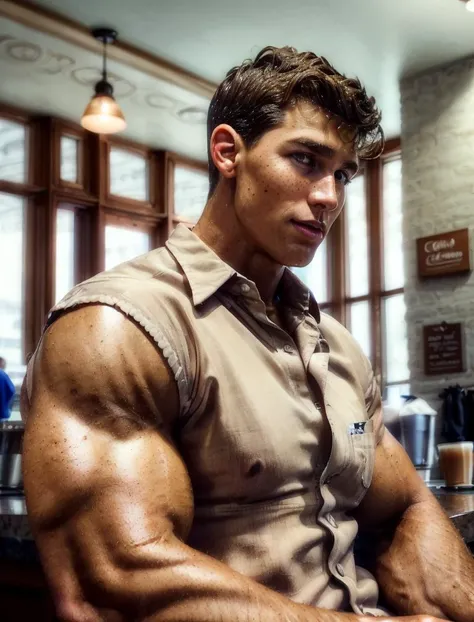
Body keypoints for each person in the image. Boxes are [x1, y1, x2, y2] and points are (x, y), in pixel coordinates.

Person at [21, 47, 473, 622]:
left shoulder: (336, 345)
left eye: (343, 174)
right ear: (228, 152)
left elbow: (404, 505)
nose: (329, 197)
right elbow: (112, 581)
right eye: (306, 160)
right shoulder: (117, 326)